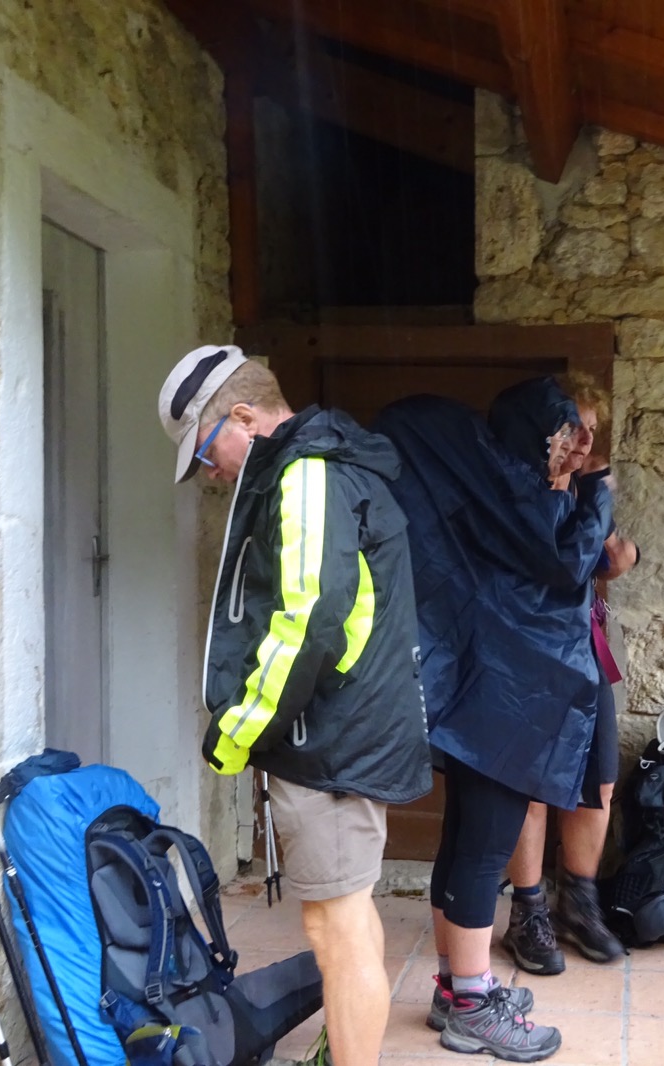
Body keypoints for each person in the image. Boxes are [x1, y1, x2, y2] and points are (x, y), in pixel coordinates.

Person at [158, 345, 432, 1066]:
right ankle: (344, 1046)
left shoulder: (306, 473)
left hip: (330, 741)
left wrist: (238, 730)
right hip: (347, 729)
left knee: (336, 930)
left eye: (206, 450)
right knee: (346, 918)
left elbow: (308, 619)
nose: (210, 473)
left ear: (245, 418)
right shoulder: (326, 463)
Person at [373, 377, 613, 1063]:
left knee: (462, 843)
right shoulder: (521, 504)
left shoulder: (489, 493)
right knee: (482, 851)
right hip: (508, 699)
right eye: (563, 434)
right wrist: (596, 487)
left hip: (481, 694)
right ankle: (474, 1007)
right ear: (536, 435)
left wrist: (568, 487)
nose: (573, 447)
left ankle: (454, 988)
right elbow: (569, 564)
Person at [502, 378, 638, 975]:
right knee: (530, 786)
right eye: (572, 428)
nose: (583, 441)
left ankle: (579, 904)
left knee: (598, 778)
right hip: (527, 655)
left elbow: (605, 558)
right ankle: (527, 913)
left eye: (591, 431)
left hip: (583, 650)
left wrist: (618, 552)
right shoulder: (516, 488)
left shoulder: (587, 488)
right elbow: (556, 563)